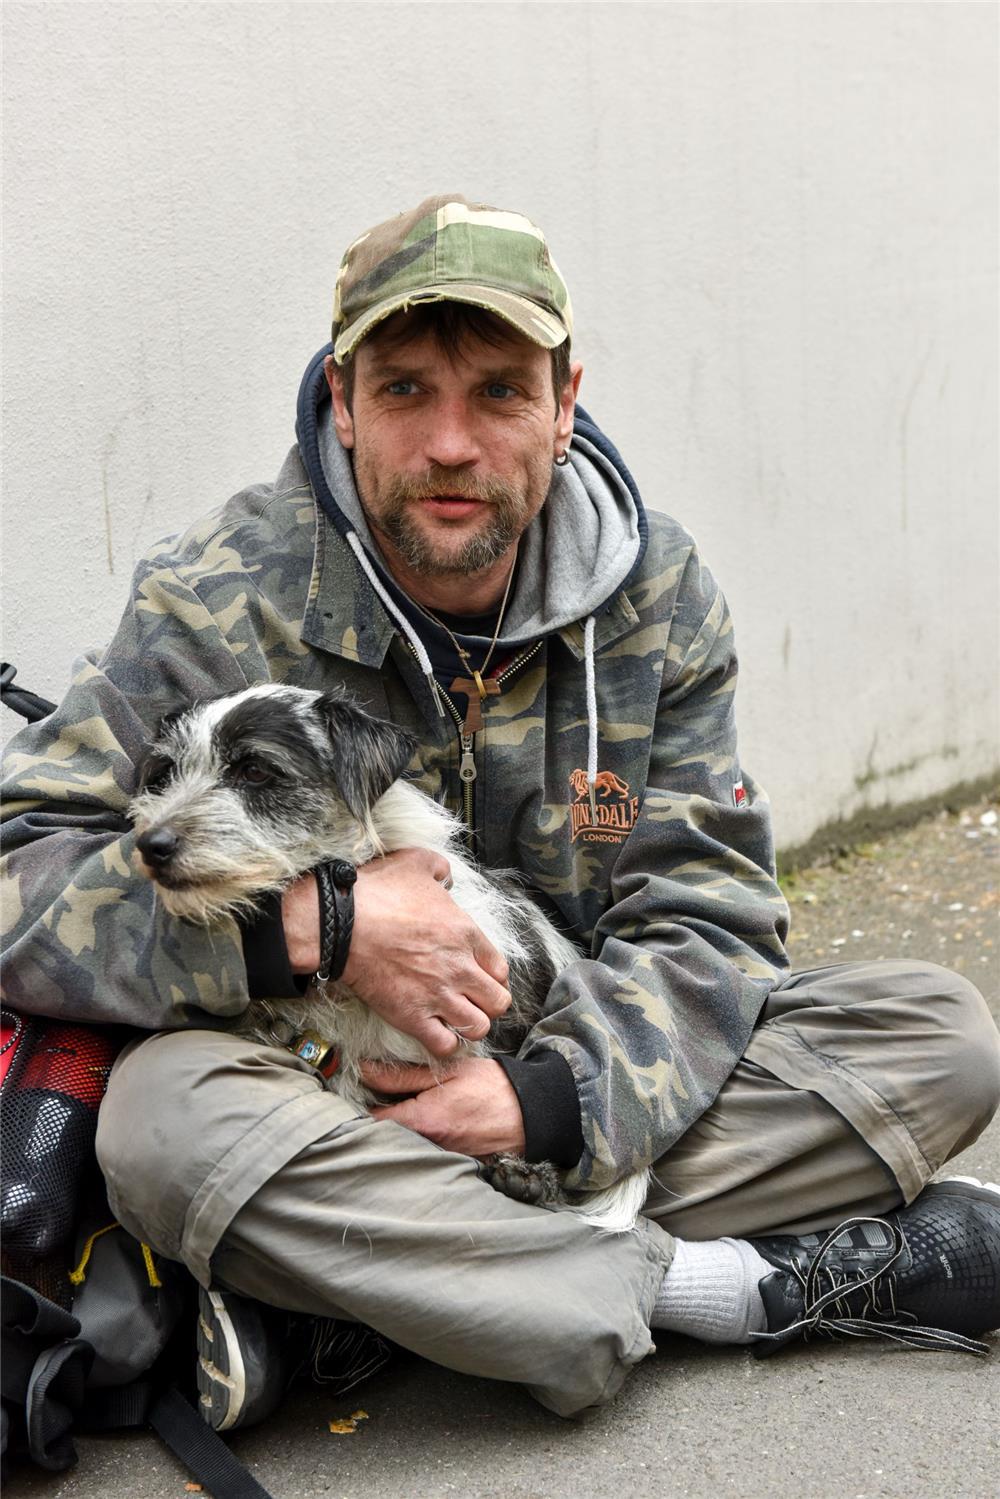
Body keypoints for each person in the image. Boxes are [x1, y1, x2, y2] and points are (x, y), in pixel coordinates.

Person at [3, 194, 999, 1429]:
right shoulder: (217, 596)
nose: (453, 443)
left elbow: (710, 915)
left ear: (564, 401)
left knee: (937, 1033)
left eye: (500, 392)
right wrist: (314, 928)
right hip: (304, 1078)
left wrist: (547, 1101)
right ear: (342, 402)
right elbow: (18, 882)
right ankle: (718, 1289)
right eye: (408, 389)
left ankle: (346, 1301)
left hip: (548, 1055)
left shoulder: (660, 599)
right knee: (156, 1131)